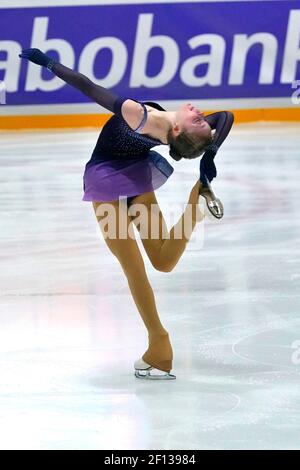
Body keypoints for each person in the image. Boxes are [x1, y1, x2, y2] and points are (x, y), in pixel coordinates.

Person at [19, 48, 234, 380]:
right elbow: (227, 118)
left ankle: (159, 344)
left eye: (197, 120)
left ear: (177, 132)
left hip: (106, 181)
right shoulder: (180, 134)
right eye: (202, 119)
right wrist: (208, 160)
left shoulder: (138, 114)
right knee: (162, 259)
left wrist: (50, 65)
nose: (201, 113)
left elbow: (88, 86)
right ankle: (196, 205)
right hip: (136, 177)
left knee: (137, 269)